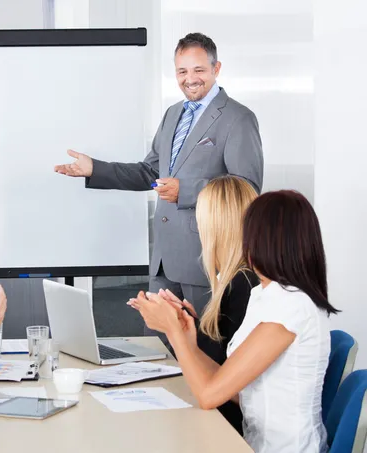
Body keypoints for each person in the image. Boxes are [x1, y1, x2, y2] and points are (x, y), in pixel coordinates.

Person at [54, 32, 264, 325]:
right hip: (164, 263)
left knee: (205, 350)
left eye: (199, 70)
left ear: (216, 69)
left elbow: (247, 191)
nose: (189, 78)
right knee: (165, 344)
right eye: (182, 71)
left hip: (207, 263)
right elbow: (151, 173)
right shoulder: (172, 114)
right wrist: (95, 169)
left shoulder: (238, 118)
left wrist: (186, 191)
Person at [130, 190, 338, 453]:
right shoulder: (264, 295)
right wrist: (185, 336)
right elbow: (234, 388)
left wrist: (171, 330)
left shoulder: (291, 308)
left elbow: (208, 396)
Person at [133, 175, 258, 433]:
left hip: (229, 425)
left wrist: (174, 328)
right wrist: (187, 321)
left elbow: (225, 371)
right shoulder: (238, 278)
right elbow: (226, 346)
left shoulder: (242, 284)